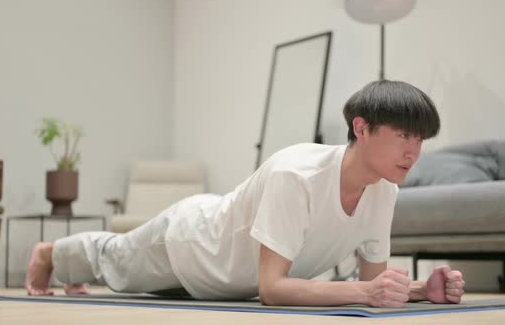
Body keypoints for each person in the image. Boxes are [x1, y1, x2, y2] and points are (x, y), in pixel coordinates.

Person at [26, 80, 465, 307]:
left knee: (117, 265)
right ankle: (49, 253)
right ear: (361, 128)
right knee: (114, 261)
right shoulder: (298, 173)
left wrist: (420, 290)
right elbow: (272, 289)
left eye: (421, 139)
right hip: (191, 245)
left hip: (227, 284)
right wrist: (365, 292)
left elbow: (371, 287)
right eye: (405, 134)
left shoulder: (384, 191)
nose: (414, 151)